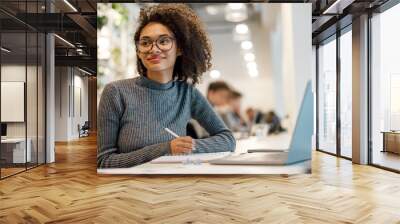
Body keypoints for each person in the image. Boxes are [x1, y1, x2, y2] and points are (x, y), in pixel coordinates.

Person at [97, 4, 235, 168]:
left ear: (180, 48)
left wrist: (187, 147)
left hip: (177, 183)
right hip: (128, 187)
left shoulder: (187, 94)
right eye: (145, 43)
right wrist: (165, 148)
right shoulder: (116, 92)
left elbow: (227, 139)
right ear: (139, 51)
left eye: (164, 41)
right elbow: (103, 161)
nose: (153, 49)